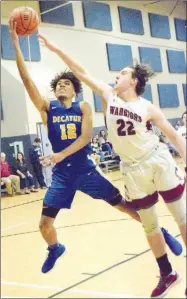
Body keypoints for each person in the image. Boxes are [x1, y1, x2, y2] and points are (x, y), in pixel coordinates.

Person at [9, 20, 183, 280]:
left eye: (67, 83)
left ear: (76, 91)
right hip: (63, 175)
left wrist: (60, 154)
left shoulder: (84, 108)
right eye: (58, 84)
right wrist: (15, 41)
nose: (62, 86)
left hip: (88, 170)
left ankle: (165, 234)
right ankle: (55, 248)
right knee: (44, 225)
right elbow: (27, 79)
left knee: (126, 206)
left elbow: (86, 137)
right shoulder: (48, 109)